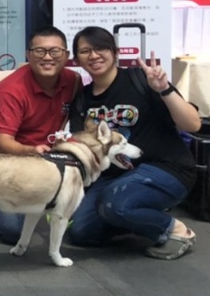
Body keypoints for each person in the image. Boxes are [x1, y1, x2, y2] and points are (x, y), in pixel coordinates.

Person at [62, 26, 199, 260]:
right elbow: (84, 147)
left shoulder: (142, 80)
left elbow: (193, 124)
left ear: (115, 52)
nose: (93, 55)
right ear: (77, 60)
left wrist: (164, 89)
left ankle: (176, 230)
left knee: (116, 204)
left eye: (100, 48)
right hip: (114, 176)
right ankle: (135, 214)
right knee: (82, 232)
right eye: (85, 51)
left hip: (165, 168)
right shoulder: (82, 99)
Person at [0, 27, 82, 242]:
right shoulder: (10, 90)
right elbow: (3, 143)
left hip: (49, 160)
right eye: (39, 51)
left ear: (66, 55)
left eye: (55, 51)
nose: (47, 57)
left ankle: (47, 200)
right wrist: (33, 150)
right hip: (7, 162)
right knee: (12, 231)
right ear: (28, 55)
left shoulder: (73, 81)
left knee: (82, 222)